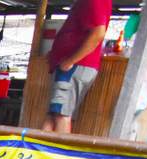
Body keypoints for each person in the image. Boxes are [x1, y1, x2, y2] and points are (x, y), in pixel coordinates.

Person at [41, 0, 111, 133]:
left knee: (61, 115)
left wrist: (70, 60)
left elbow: (98, 32)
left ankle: (60, 147)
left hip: (72, 67)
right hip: (69, 66)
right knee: (54, 113)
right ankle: (39, 145)